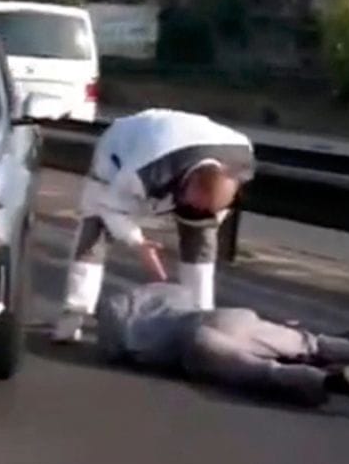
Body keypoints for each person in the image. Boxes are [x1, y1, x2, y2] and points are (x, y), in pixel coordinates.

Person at [53, 108, 254, 344]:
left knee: (201, 235)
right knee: (96, 225)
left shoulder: (242, 159)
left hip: (190, 139)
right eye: (192, 204)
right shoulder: (144, 172)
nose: (193, 211)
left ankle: (200, 317)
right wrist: (137, 242)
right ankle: (73, 314)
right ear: (187, 183)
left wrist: (204, 216)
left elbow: (211, 211)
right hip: (123, 145)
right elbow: (108, 206)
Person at [96, 282, 349, 414]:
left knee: (265, 373)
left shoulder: (116, 316)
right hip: (227, 318)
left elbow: (118, 351)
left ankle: (329, 382)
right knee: (308, 341)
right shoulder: (165, 293)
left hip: (191, 344)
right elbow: (185, 293)